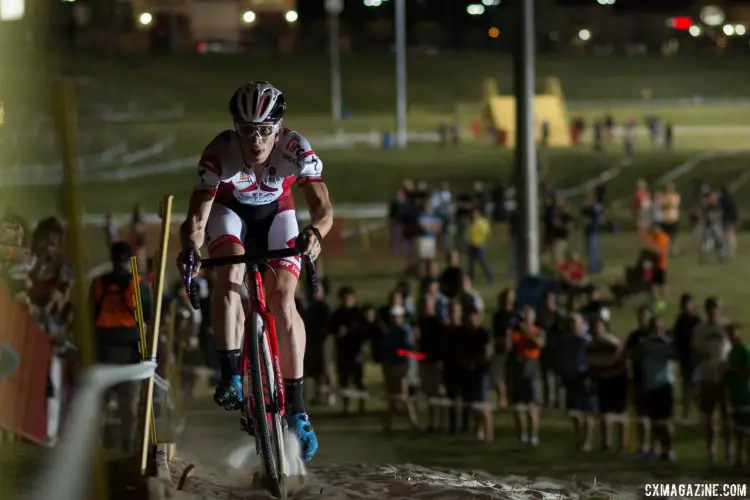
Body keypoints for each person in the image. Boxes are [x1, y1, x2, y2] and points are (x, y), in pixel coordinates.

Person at [177, 81, 333, 461]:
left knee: (283, 301)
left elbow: (323, 209)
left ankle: (298, 410)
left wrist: (315, 233)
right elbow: (197, 217)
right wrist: (190, 248)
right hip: (229, 214)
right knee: (228, 276)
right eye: (247, 129)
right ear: (236, 128)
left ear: (279, 128)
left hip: (278, 215)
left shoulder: (295, 147)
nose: (256, 139)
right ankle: (230, 371)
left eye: (265, 130)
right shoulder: (220, 152)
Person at [91, 242, 152, 451]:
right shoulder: (139, 283)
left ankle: (97, 449)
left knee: (102, 405)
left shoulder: (99, 283)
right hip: (129, 351)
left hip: (106, 350)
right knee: (128, 405)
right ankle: (125, 446)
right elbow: (149, 315)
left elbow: (90, 313)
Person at [693, 296, 732, 465]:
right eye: (711, 308)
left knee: (727, 417)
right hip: (707, 377)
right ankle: (712, 451)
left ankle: (729, 452)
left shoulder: (726, 328)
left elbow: (734, 348)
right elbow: (694, 350)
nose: (713, 312)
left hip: (724, 378)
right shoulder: (700, 329)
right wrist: (703, 355)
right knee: (710, 417)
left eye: (716, 308)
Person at [638, 316, 677, 461]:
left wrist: (665, 342)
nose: (655, 329)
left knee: (665, 421)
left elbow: (675, 355)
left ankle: (670, 449)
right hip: (650, 384)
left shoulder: (667, 342)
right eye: (653, 326)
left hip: (664, 385)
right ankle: (656, 450)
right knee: (654, 421)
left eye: (657, 327)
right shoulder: (645, 342)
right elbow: (638, 354)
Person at [507, 305, 545, 446]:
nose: (526, 318)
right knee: (518, 407)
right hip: (518, 370)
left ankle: (534, 436)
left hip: (532, 371)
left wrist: (526, 331)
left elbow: (538, 343)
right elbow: (508, 347)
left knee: (532, 407)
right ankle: (521, 436)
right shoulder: (516, 333)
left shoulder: (538, 331)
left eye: (529, 315)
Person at [330, 286, 366, 414]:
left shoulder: (358, 313)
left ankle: (362, 405)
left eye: (350, 298)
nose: (347, 300)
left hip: (356, 351)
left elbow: (364, 331)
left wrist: (351, 331)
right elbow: (331, 329)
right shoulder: (338, 314)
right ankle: (346, 406)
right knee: (343, 380)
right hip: (342, 351)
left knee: (358, 379)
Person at [671, 293, 702, 421]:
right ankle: (686, 414)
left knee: (693, 387)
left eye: (688, 303)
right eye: (684, 304)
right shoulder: (680, 320)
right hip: (685, 358)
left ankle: (697, 413)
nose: (686, 306)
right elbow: (676, 338)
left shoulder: (697, 320)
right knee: (687, 387)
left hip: (695, 358)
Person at [724, 323, 750, 468]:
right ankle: (738, 461)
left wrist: (732, 369)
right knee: (738, 430)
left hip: (746, 394)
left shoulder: (745, 351)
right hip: (735, 395)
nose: (731, 336)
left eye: (734, 333)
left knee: (747, 432)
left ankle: (747, 462)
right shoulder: (731, 352)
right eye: (729, 334)